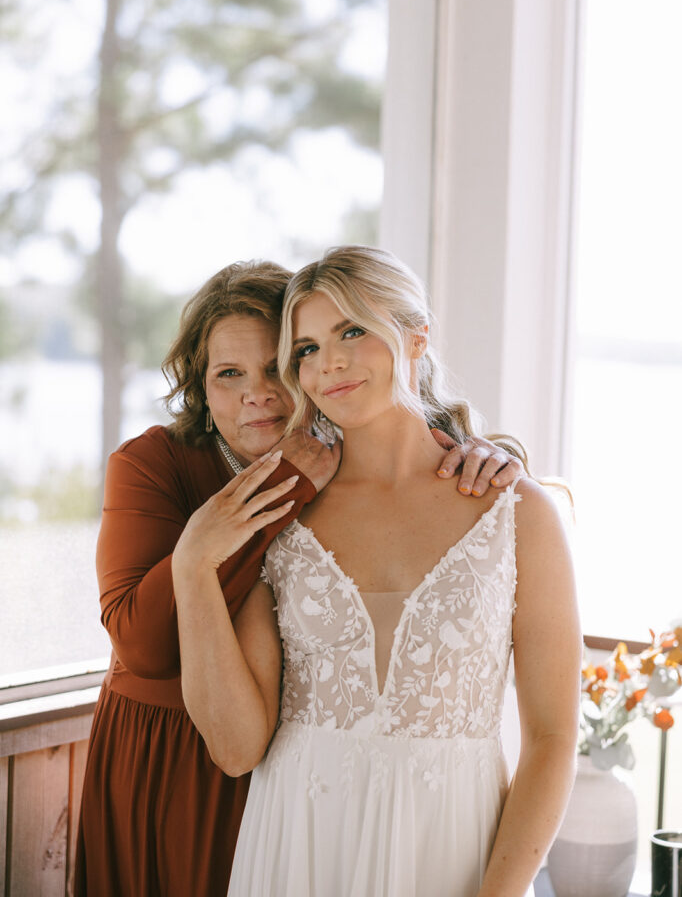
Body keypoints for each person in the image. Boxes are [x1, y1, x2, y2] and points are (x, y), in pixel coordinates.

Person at [74, 259, 524, 897]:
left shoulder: (338, 453)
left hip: (295, 773)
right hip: (169, 751)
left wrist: (495, 452)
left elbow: (426, 444)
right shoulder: (153, 464)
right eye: (228, 375)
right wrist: (215, 538)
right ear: (201, 389)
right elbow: (144, 646)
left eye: (274, 368)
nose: (255, 393)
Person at [173, 246, 582, 897]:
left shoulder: (520, 514)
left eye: (352, 331)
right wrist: (191, 567)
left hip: (453, 852)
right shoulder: (282, 516)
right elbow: (235, 747)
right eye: (305, 349)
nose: (327, 361)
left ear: (416, 337)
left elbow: (555, 737)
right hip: (298, 848)